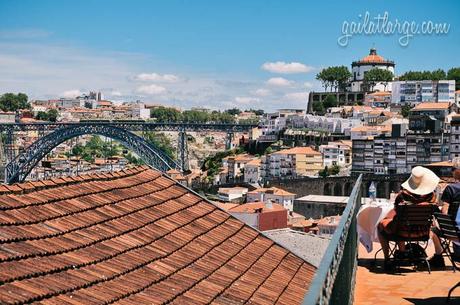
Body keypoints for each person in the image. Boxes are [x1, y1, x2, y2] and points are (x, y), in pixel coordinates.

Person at [377, 166, 440, 270]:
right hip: (423, 232)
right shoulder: (431, 197)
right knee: (400, 224)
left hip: (402, 232)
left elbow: (397, 213)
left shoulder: (402, 196)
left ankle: (389, 258)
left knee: (381, 225)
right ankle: (402, 253)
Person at [430, 158, 460, 267]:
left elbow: (444, 211)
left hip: (454, 233)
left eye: (453, 169)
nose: (451, 172)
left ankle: (439, 255)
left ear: (457, 171)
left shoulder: (451, 188)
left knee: (432, 228)